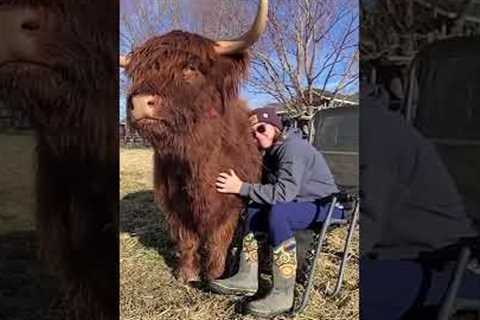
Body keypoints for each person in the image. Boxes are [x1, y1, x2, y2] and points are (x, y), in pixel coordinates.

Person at [209, 106, 343, 317]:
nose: (257, 135)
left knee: (280, 212)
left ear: (275, 127)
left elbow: (283, 194)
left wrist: (241, 187)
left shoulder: (292, 148)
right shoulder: (271, 151)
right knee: (255, 204)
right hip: (302, 201)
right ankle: (247, 277)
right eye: (251, 133)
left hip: (327, 205)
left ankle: (283, 294)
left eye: (261, 129)